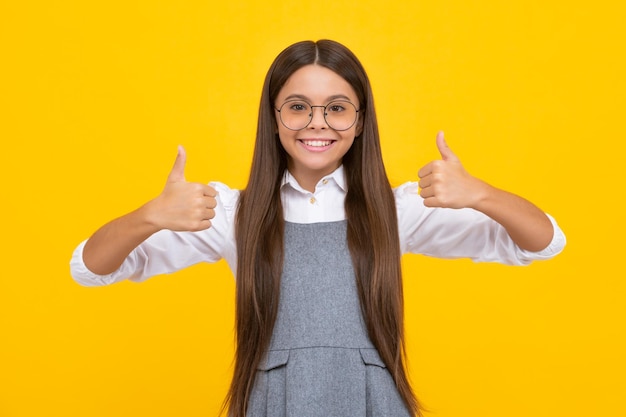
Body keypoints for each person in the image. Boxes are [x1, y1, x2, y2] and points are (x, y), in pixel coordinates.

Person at [70, 39, 566, 417]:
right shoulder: (230, 213)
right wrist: (148, 217)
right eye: (298, 106)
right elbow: (91, 268)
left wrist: (481, 194)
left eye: (337, 107)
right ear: (274, 115)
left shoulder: (397, 211)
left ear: (360, 119)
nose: (317, 123)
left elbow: (543, 242)